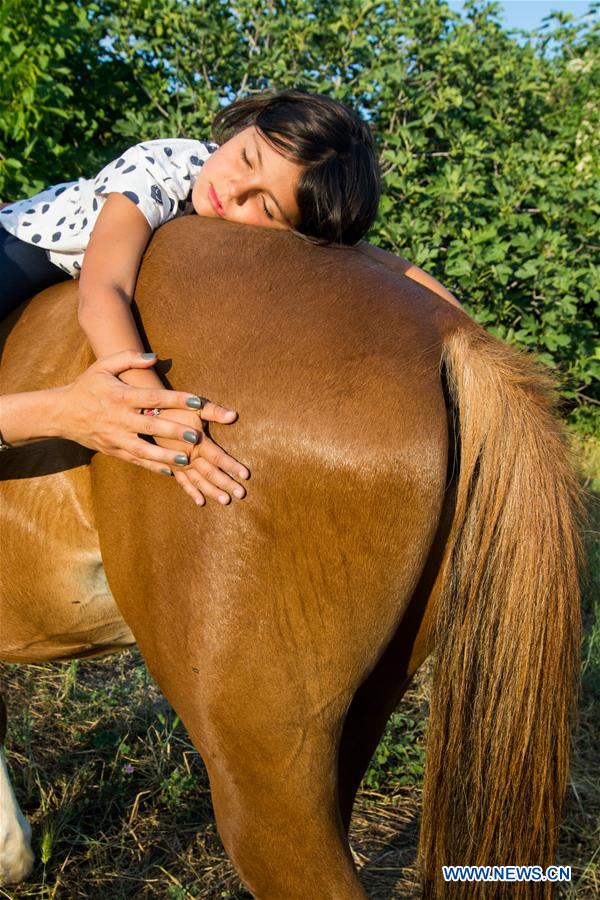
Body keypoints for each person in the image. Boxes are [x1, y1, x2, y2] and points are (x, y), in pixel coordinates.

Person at [0, 88, 458, 501]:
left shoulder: (286, 214)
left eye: (265, 205)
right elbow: (103, 292)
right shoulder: (158, 167)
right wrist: (156, 407)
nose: (233, 191)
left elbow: (383, 262)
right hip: (34, 245)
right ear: (245, 126)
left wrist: (463, 325)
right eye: (246, 158)